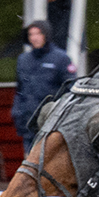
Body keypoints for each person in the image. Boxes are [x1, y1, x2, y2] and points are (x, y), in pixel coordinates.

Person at [10, 21, 75, 149]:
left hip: (52, 122)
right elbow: (20, 90)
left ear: (46, 35)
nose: (34, 38)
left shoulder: (61, 58)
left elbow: (70, 89)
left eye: (38, 33)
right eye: (31, 34)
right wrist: (17, 112)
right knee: (31, 163)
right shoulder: (23, 60)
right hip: (29, 122)